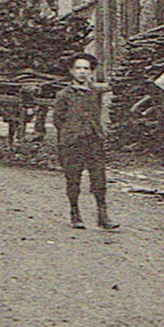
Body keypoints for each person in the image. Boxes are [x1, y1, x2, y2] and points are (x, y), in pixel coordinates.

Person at [51, 53, 118, 230]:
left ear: (91, 72)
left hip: (93, 140)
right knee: (73, 179)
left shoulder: (95, 93)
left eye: (86, 69)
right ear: (72, 71)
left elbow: (100, 113)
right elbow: (58, 119)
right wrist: (70, 132)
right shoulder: (64, 95)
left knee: (99, 178)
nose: (82, 72)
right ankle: (75, 214)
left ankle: (103, 216)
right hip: (72, 142)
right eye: (78, 68)